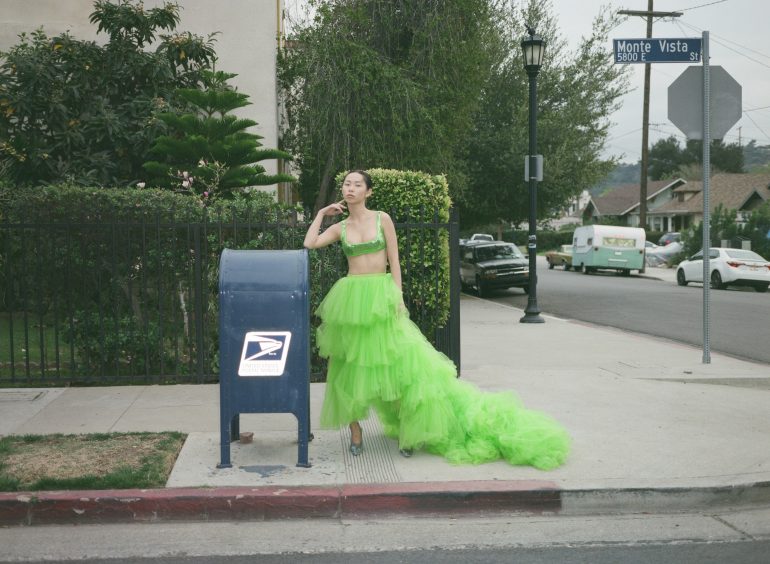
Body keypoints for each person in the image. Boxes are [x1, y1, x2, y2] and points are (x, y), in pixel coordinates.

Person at [303, 170, 569, 469]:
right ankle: (355, 431)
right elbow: (310, 242)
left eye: (357, 184)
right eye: (347, 184)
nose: (350, 189)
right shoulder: (340, 227)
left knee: (400, 367)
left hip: (380, 295)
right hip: (352, 299)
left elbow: (394, 259)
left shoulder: (382, 219)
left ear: (368, 191)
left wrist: (398, 296)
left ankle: (407, 430)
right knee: (348, 368)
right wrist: (322, 214)